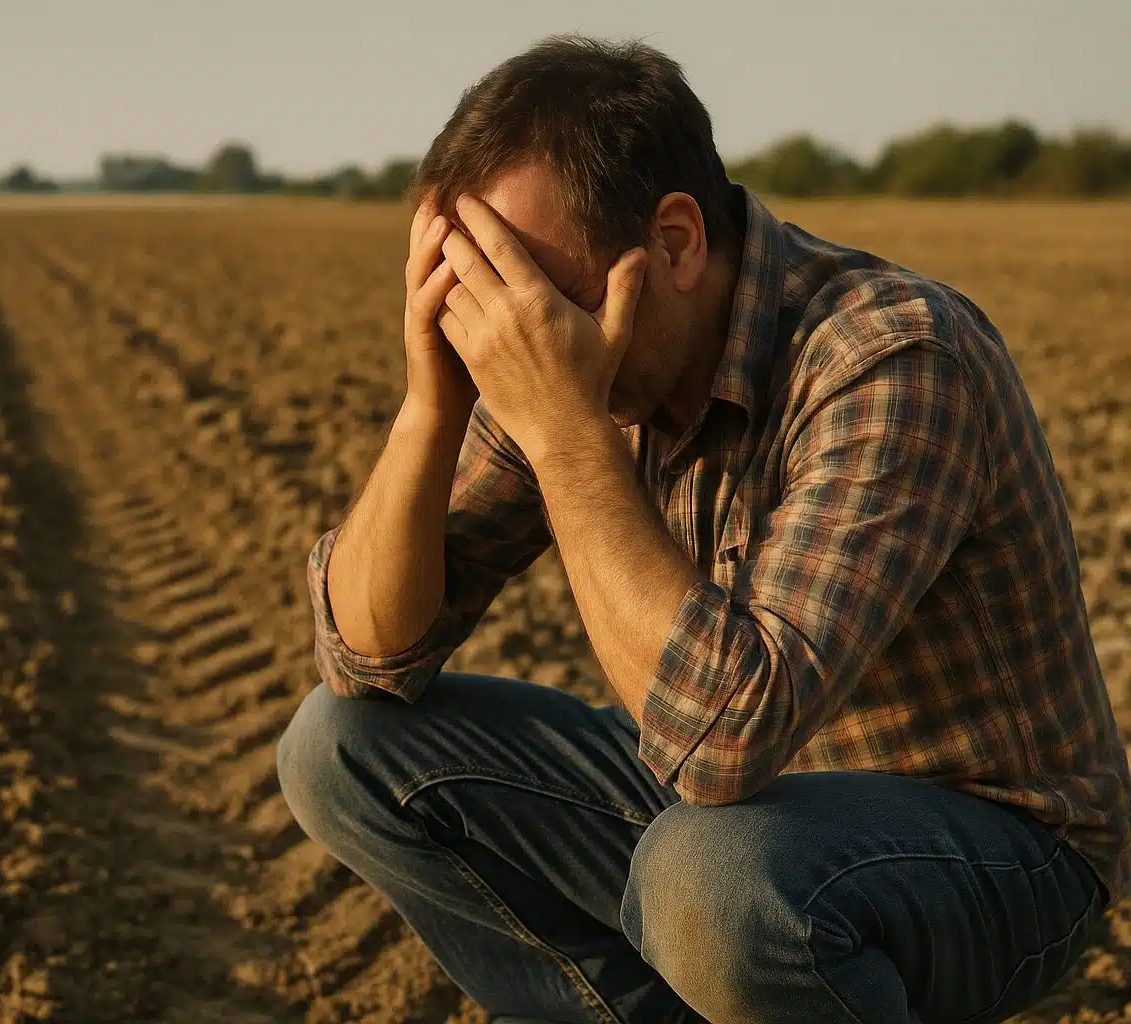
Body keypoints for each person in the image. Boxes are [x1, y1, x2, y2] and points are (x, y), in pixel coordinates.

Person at [273, 33, 1130, 1024]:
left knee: (710, 877)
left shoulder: (891, 357)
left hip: (993, 844)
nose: (515, 330)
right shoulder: (579, 348)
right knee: (339, 747)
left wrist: (567, 432)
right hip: (740, 807)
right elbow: (369, 657)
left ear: (676, 241)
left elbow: (723, 744)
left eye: (533, 294)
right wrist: (431, 404)